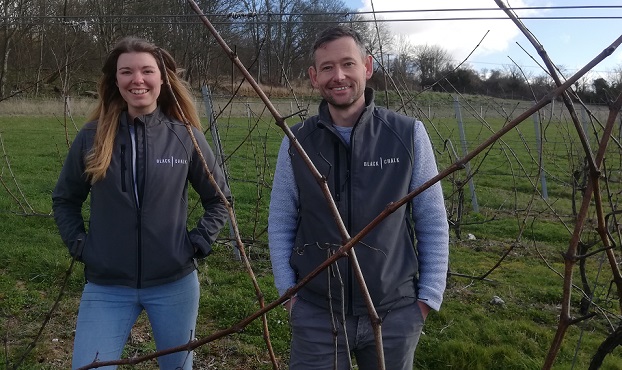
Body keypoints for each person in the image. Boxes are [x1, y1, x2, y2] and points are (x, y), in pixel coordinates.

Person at [268, 25, 449, 370]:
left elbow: (431, 220)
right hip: (317, 314)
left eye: (348, 64)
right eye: (327, 67)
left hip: (394, 313)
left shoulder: (408, 135)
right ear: (313, 77)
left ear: (367, 67)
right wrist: (289, 295)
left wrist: (427, 298)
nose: (339, 76)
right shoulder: (296, 142)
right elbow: (281, 220)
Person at [52, 37, 231, 370]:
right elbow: (65, 199)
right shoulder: (91, 137)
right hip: (107, 285)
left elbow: (219, 200)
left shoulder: (185, 135)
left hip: (173, 283)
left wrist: (196, 243)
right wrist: (82, 247)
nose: (138, 80)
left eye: (147, 71)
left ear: (162, 79)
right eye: (127, 72)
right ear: (114, 80)